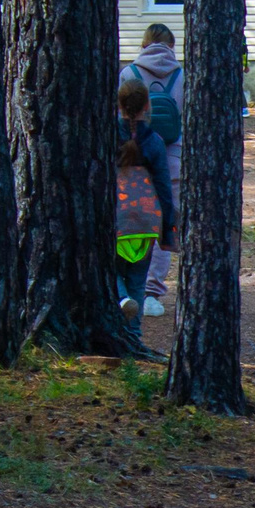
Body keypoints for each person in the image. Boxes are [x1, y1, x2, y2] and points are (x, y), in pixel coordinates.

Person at [124, 24, 186, 315]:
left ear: (144, 44)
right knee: (166, 220)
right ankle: (152, 291)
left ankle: (126, 286)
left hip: (132, 155)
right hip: (172, 153)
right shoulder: (182, 74)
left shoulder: (129, 73)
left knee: (130, 219)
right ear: (172, 45)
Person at [111, 80, 179, 326]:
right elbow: (163, 185)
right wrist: (167, 229)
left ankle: (120, 298)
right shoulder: (155, 141)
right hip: (145, 222)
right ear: (148, 105)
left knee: (111, 271)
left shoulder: (106, 136)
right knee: (139, 279)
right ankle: (134, 335)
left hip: (115, 219)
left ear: (118, 104)